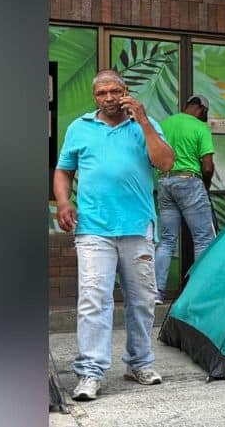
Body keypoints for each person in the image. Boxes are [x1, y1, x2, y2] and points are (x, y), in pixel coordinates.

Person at [54, 70, 176, 401]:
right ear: (95, 97)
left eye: (114, 91)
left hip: (137, 227)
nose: (108, 98)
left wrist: (145, 121)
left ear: (126, 92)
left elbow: (165, 163)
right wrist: (64, 202)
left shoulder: (143, 124)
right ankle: (90, 373)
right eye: (101, 93)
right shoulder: (80, 128)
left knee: (141, 300)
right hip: (93, 228)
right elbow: (64, 170)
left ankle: (139, 363)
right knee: (94, 299)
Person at [154, 94, 216, 303]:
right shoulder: (200, 128)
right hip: (189, 181)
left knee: (167, 240)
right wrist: (205, 186)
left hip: (165, 181)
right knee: (203, 239)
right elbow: (207, 166)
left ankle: (157, 292)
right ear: (202, 110)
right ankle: (198, 293)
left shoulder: (165, 125)